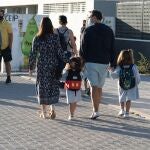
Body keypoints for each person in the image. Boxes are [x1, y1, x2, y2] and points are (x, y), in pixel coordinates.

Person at [80, 10, 116, 119]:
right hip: (104, 62)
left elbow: (82, 48)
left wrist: (82, 62)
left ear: (95, 17)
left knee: (93, 86)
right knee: (99, 87)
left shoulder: (88, 30)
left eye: (91, 17)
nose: (90, 19)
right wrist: (113, 63)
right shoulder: (109, 30)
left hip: (91, 62)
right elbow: (113, 48)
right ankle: (97, 108)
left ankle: (95, 111)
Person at [29, 17, 66, 119]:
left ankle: (44, 113)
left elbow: (33, 54)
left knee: (42, 87)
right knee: (52, 86)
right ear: (51, 25)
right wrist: (67, 61)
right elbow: (60, 52)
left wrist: (31, 67)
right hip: (53, 65)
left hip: (42, 66)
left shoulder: (37, 38)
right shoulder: (55, 37)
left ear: (41, 26)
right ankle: (52, 109)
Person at [110, 49, 140, 118]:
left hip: (121, 85)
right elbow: (137, 77)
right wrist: (136, 84)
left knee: (121, 97)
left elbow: (114, 76)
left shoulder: (119, 67)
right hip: (131, 85)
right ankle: (127, 113)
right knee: (128, 99)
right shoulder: (133, 66)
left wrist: (111, 70)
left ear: (120, 57)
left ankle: (122, 110)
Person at [0, 9, 13, 83]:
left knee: (7, 62)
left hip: (6, 47)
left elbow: (11, 35)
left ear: (3, 15)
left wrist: (10, 47)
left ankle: (8, 77)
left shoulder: (7, 24)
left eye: (1, 14)